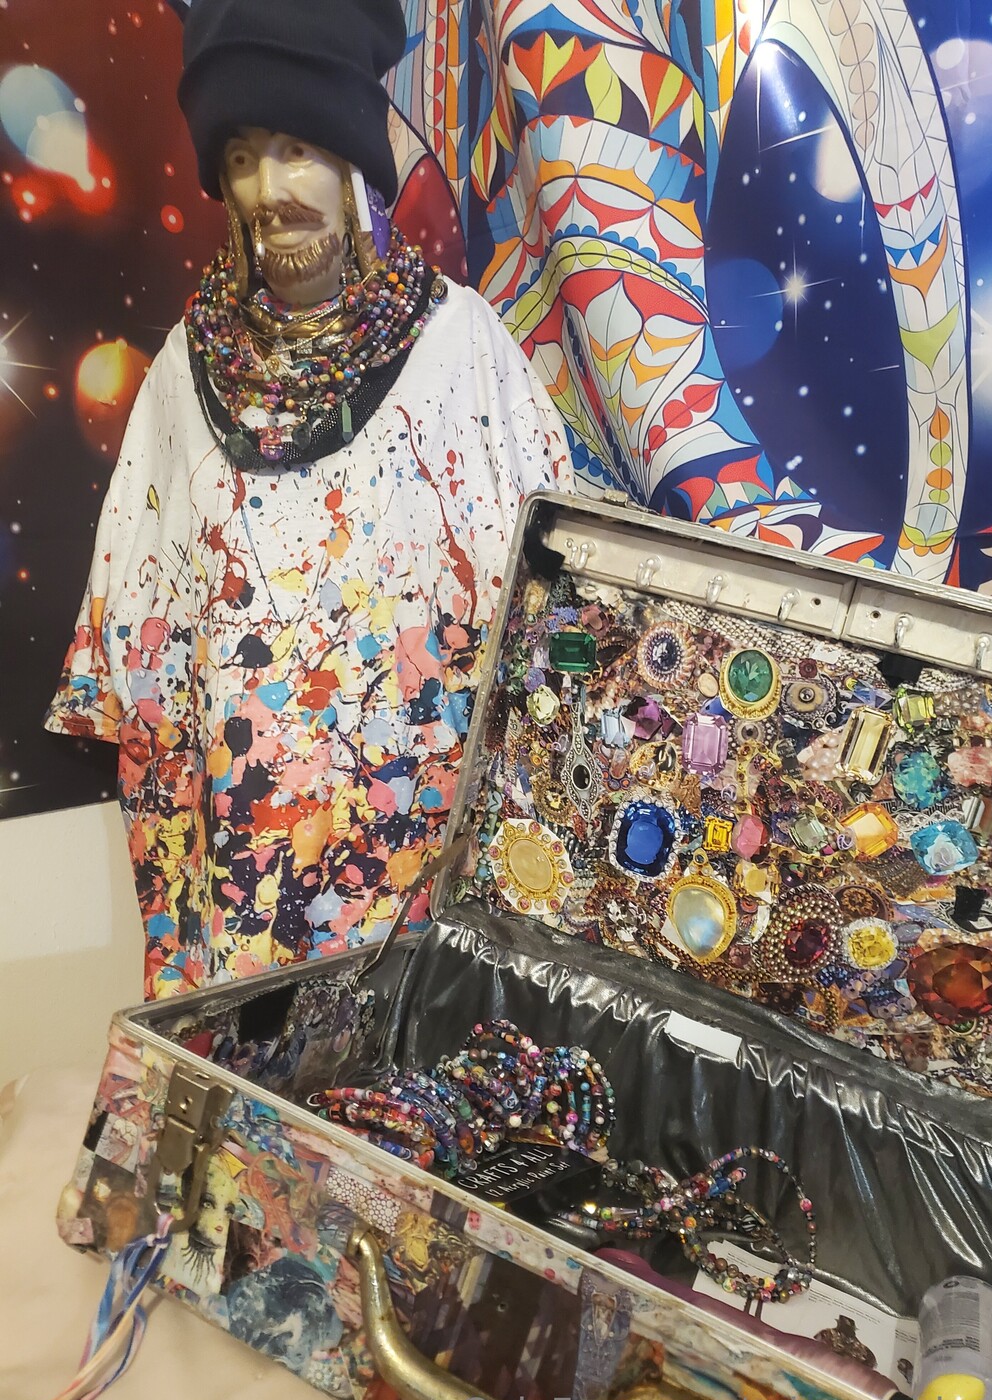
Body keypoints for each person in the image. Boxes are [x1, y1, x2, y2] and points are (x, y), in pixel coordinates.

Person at [45, 0, 576, 999]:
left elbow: (557, 602)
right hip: (244, 876)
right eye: (242, 158)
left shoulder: (461, 348)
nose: (270, 191)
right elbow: (139, 640)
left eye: (297, 150)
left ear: (352, 163)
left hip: (417, 860)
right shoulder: (185, 370)